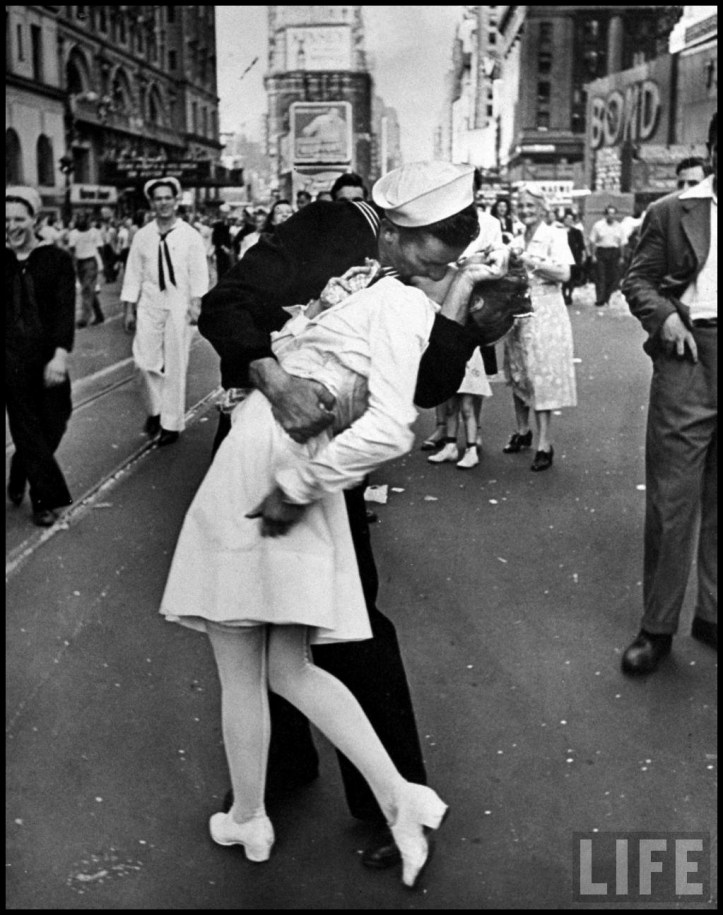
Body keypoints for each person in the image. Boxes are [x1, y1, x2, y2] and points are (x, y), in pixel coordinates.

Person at [162, 165, 501, 887]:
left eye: (446, 261)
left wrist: (464, 321)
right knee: (272, 636)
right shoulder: (325, 228)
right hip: (271, 428)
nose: (430, 268)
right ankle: (280, 775)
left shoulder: (427, 280)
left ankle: (383, 798)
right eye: (427, 253)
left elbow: (427, 386)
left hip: (324, 460)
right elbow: (229, 303)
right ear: (396, 225)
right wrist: (273, 379)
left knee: (345, 624)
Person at [620, 112, 717, 675]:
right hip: (689, 356)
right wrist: (665, 319)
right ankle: (656, 629)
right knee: (672, 502)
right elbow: (637, 280)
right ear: (713, 150)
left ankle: (712, 613)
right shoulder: (672, 212)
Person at [6, 186, 76, 527]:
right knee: (27, 426)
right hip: (10, 360)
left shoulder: (56, 260)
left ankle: (20, 466)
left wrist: (60, 355)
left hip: (48, 355)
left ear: (35, 220)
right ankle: (43, 500)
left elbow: (65, 311)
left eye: (19, 219)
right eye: (5, 220)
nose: (12, 226)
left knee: (55, 420)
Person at [121, 177, 209, 446]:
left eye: (167, 198)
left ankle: (171, 423)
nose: (163, 203)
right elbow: (133, 274)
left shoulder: (190, 236)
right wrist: (128, 309)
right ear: (152, 203)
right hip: (149, 304)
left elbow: (198, 273)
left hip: (179, 305)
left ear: (176, 200)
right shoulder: (143, 236)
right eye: (158, 199)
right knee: (143, 362)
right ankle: (155, 410)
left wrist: (196, 304)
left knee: (175, 364)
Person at [501, 184, 577, 471]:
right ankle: (523, 431)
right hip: (519, 311)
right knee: (519, 372)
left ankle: (545, 443)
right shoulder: (517, 237)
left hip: (546, 312)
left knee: (541, 375)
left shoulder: (555, 235)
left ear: (543, 209)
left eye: (531, 206)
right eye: (521, 206)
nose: (525, 211)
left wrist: (530, 261)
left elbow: (564, 273)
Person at [67, 212, 105, 327]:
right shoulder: (73, 233)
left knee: (86, 289)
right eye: (79, 218)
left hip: (90, 262)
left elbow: (100, 247)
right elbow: (71, 250)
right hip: (79, 263)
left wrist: (101, 263)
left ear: (88, 220)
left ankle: (84, 318)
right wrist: (72, 265)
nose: (81, 220)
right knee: (89, 290)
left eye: (83, 218)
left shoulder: (94, 232)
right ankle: (99, 315)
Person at [589, 204, 626, 307]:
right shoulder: (598, 225)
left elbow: (622, 243)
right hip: (601, 252)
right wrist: (593, 255)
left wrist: (622, 257)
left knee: (612, 277)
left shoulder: (619, 227)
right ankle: (600, 299)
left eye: (613, 214)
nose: (611, 216)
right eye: (609, 214)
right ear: (605, 215)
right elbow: (592, 241)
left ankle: (607, 297)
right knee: (600, 276)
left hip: (614, 253)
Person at [561, 210, 586, 305]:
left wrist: (583, 255)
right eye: (567, 219)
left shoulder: (577, 232)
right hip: (562, 257)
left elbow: (581, 245)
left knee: (572, 277)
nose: (569, 221)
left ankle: (569, 295)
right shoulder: (558, 231)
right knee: (563, 277)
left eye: (571, 219)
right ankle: (563, 294)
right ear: (564, 220)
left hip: (574, 257)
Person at [211, 204, 234, 278]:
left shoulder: (229, 224)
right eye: (224, 213)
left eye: (227, 213)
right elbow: (215, 239)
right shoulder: (217, 225)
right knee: (221, 271)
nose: (225, 214)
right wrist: (223, 247)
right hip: (221, 251)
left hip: (229, 251)